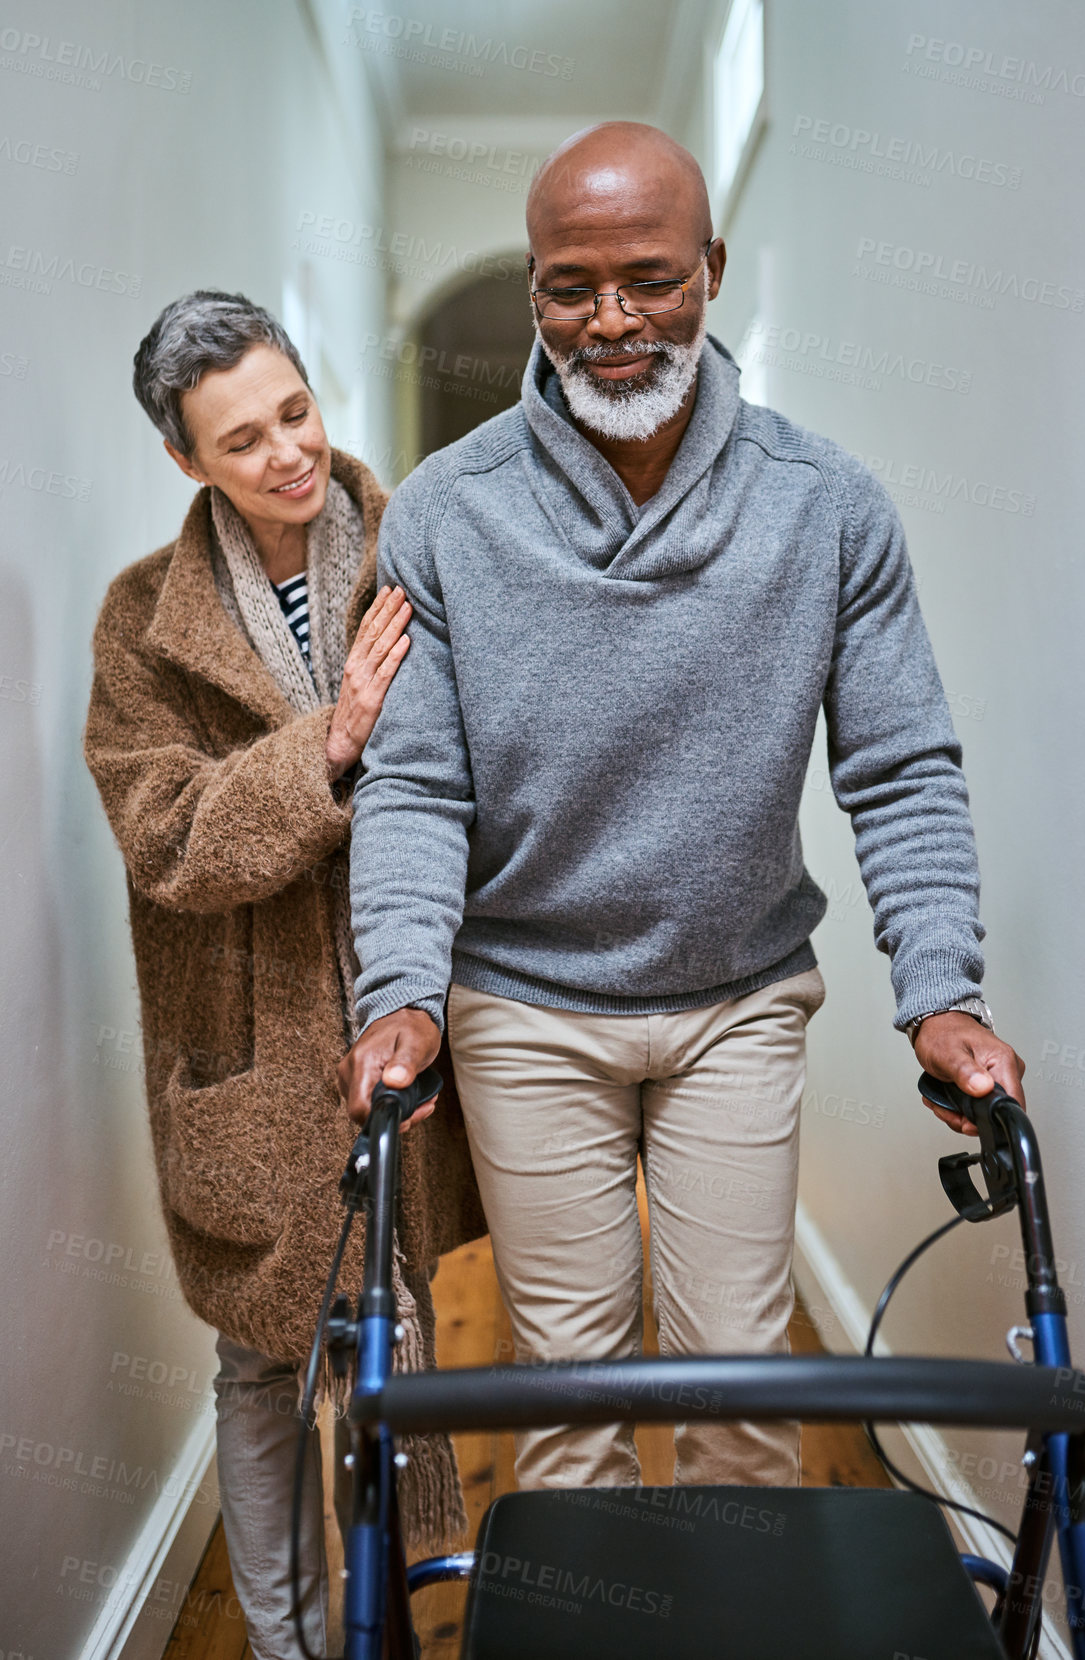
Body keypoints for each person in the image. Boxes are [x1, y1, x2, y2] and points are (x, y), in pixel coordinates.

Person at [338, 123, 1026, 1493]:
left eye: (648, 279)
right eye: (569, 285)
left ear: (711, 268)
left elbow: (898, 767)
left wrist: (941, 992)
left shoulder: (826, 508)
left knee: (739, 1394)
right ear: (535, 290)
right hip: (527, 1002)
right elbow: (414, 783)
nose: (609, 322)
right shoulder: (442, 512)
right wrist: (403, 991)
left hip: (738, 1001)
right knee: (570, 1406)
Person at [83, 291, 485, 1660]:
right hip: (250, 1056)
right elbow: (167, 842)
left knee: (397, 1334)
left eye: (297, 413)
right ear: (188, 461)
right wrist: (333, 741)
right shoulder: (142, 625)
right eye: (242, 440)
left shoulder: (429, 552)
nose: (287, 456)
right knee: (263, 1368)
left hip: (407, 1015)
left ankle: (406, 1608)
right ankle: (286, 1640)